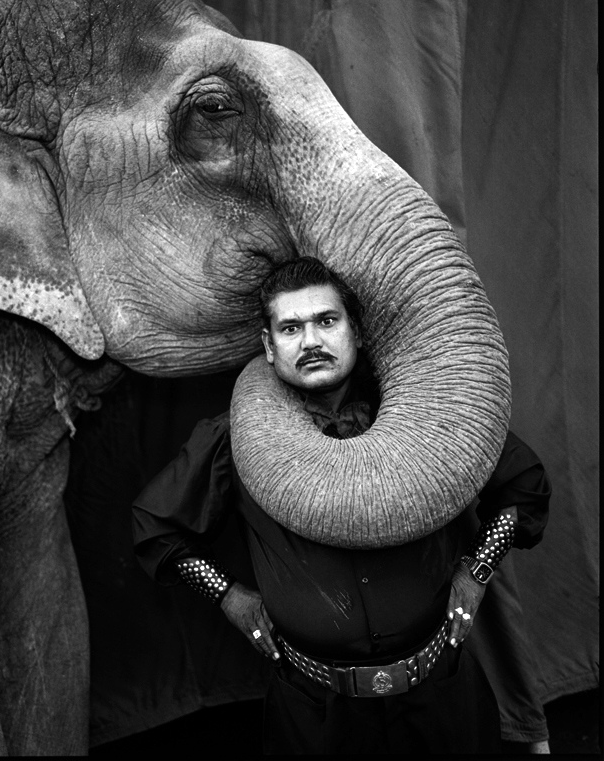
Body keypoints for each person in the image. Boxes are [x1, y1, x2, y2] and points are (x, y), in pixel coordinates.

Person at [132, 256, 551, 755]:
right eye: (290, 328)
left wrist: (477, 571)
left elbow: (523, 485)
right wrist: (229, 596)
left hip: (442, 700)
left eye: (326, 321)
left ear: (356, 332)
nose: (310, 341)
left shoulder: (427, 411)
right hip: (315, 718)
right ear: (269, 347)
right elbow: (155, 528)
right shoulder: (239, 438)